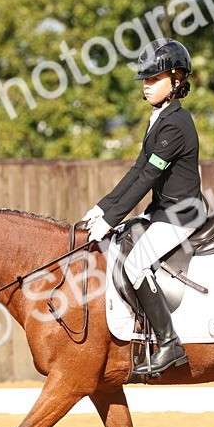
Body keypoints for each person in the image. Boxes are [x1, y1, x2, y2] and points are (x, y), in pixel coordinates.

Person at [81, 38, 206, 376]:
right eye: (145, 80)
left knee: (136, 264)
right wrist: (101, 209)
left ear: (177, 80)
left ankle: (169, 343)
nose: (147, 85)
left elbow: (149, 176)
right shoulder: (159, 119)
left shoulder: (175, 125)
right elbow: (138, 169)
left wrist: (111, 217)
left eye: (154, 79)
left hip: (182, 214)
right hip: (162, 211)